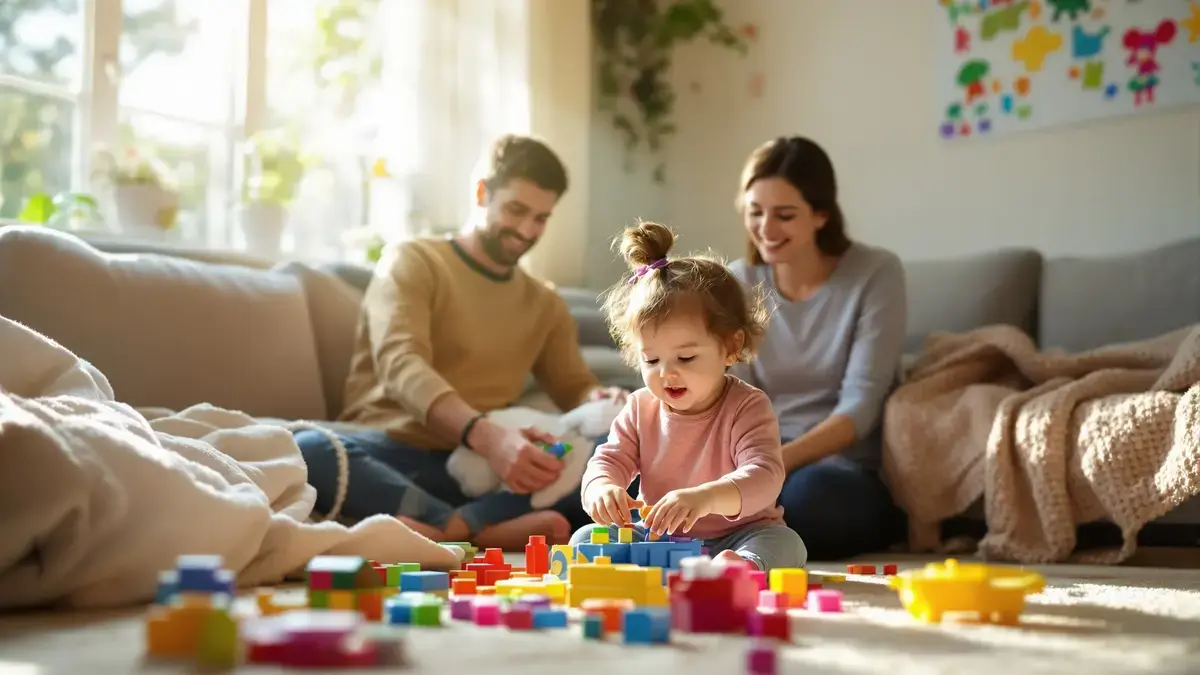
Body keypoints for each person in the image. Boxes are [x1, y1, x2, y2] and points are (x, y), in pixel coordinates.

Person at [294, 134, 625, 550]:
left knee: (614, 454)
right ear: (482, 192)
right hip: (394, 452)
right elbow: (401, 363)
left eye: (541, 218)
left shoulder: (545, 302)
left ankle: (448, 525)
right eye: (516, 210)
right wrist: (488, 437)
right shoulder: (413, 260)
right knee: (308, 448)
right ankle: (476, 526)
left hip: (485, 471)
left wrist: (600, 401)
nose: (527, 230)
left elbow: (573, 385)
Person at [570, 220, 807, 572]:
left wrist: (705, 498)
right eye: (651, 360)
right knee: (585, 538)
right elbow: (608, 460)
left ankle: (738, 569)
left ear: (731, 346)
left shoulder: (747, 406)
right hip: (657, 537)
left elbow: (765, 476)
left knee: (786, 544)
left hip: (738, 535)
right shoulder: (639, 407)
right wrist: (602, 489)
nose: (667, 373)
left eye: (685, 358)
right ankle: (649, 569)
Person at [728, 136, 908, 561]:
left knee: (809, 502)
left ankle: (742, 534)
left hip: (838, 469)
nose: (766, 229)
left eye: (785, 215)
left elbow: (860, 406)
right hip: (754, 460)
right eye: (755, 212)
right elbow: (733, 396)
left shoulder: (876, 273)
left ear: (821, 214)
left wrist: (773, 464)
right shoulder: (738, 281)